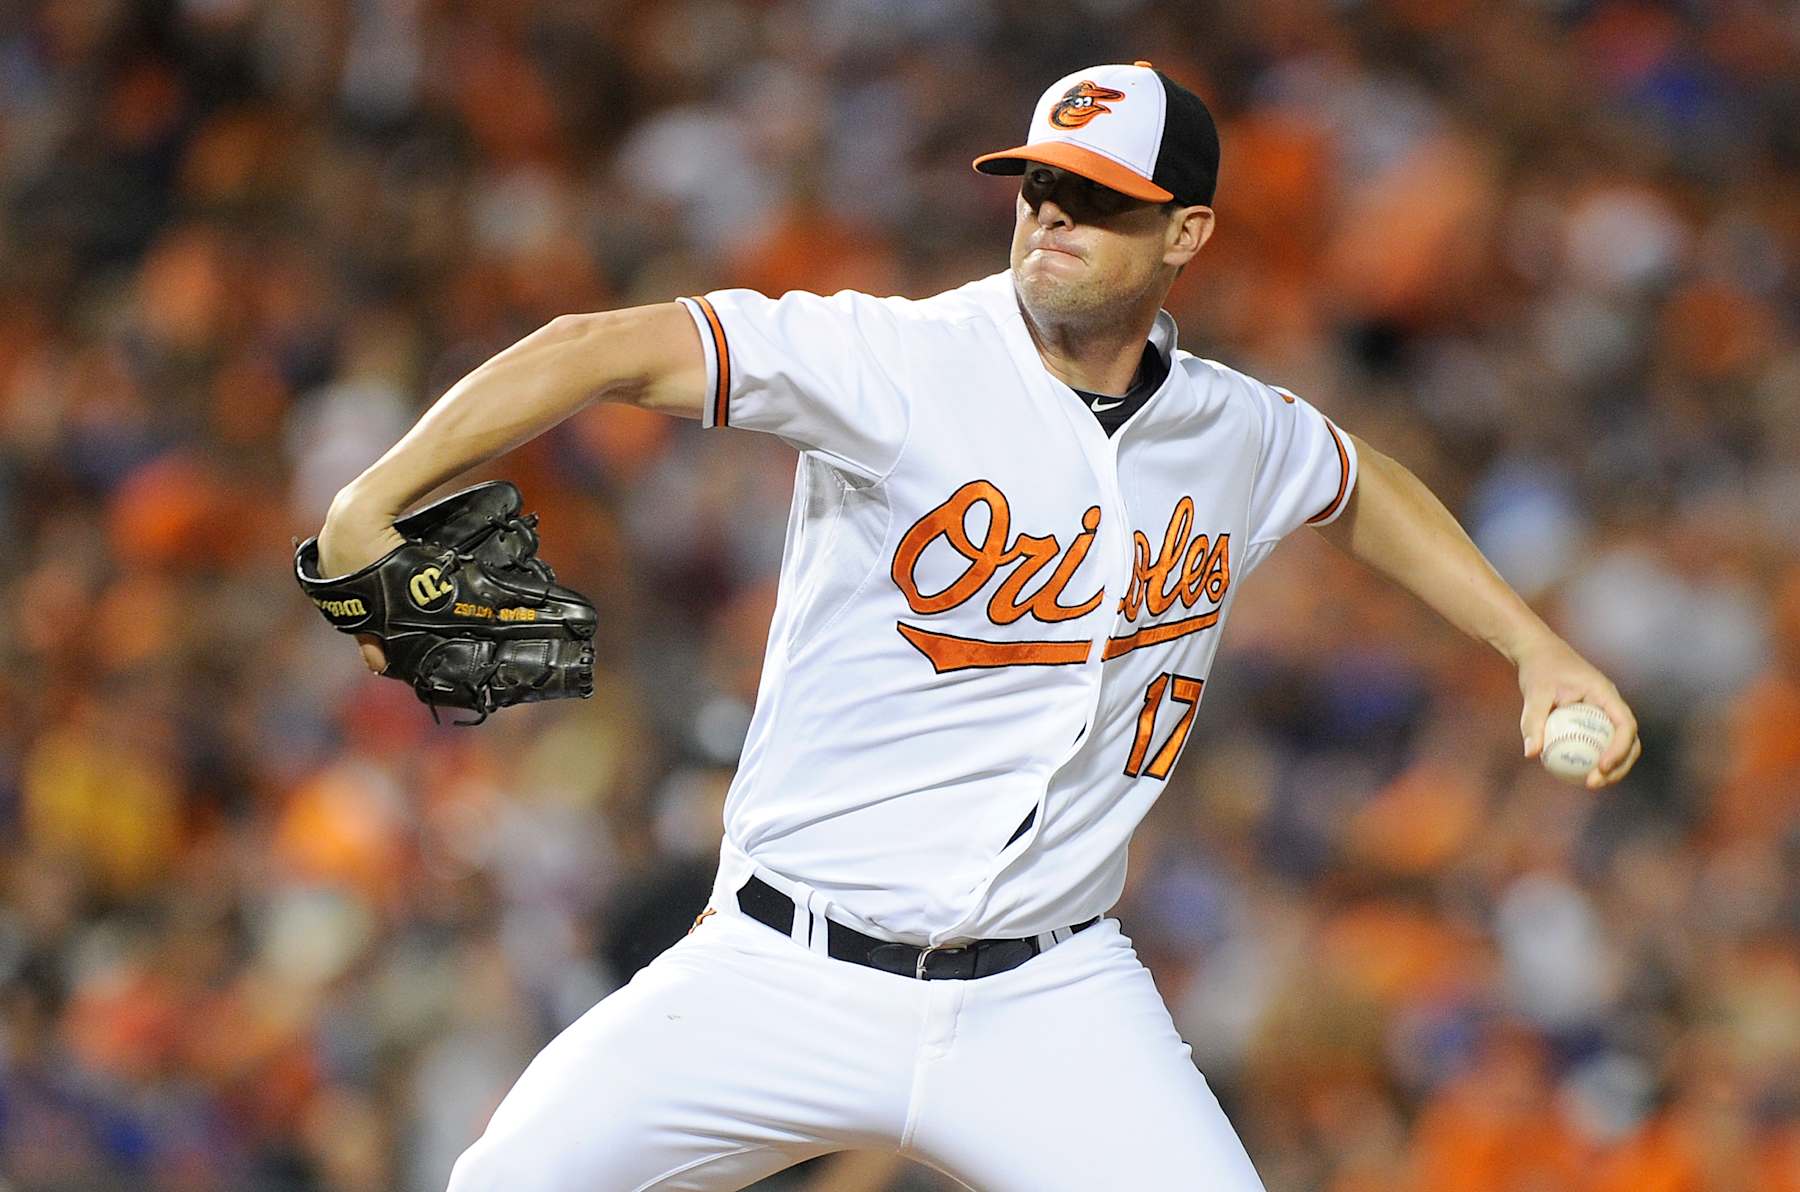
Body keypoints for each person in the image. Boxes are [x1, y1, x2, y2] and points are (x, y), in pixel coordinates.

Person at [315, 61, 1639, 1191]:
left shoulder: (1233, 429)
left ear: (1185, 234)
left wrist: (1533, 644)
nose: (1053, 215)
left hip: (1048, 998)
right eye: (1038, 187)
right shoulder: (892, 362)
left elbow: (1361, 487)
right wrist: (378, 494)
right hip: (783, 970)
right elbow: (598, 343)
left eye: (1098, 199)